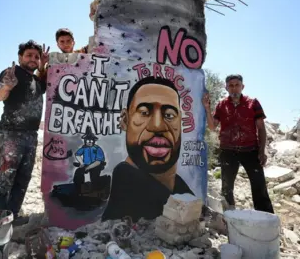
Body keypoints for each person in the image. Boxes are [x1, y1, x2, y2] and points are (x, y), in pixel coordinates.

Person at [102, 76, 193, 221]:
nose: (157, 126)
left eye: (169, 115)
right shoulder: (126, 177)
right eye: (144, 112)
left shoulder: (179, 186)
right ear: (125, 120)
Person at [0, 40, 50, 225]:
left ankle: (12, 217)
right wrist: (6, 87)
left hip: (31, 136)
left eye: (36, 57)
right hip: (11, 135)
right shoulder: (11, 73)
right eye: (29, 55)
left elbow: (45, 82)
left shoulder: (37, 81)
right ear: (20, 57)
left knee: (23, 178)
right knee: (5, 178)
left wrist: (44, 66)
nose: (33, 59)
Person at [202, 74, 274, 214]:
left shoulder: (253, 103)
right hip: (228, 151)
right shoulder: (222, 105)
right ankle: (230, 216)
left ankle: (266, 217)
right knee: (227, 187)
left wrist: (261, 151)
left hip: (250, 150)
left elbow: (261, 128)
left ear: (242, 86)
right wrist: (207, 108)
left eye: (237, 85)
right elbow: (212, 126)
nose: (234, 88)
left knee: (259, 185)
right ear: (226, 88)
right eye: (231, 85)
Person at [73, 127, 106, 192]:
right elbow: (77, 154)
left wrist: (87, 168)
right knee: (78, 172)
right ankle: (79, 189)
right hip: (86, 164)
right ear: (85, 140)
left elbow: (98, 161)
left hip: (96, 165)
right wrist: (81, 163)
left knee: (94, 177)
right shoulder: (84, 148)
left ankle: (96, 190)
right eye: (88, 140)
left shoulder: (97, 148)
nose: (90, 142)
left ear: (94, 141)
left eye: (91, 140)